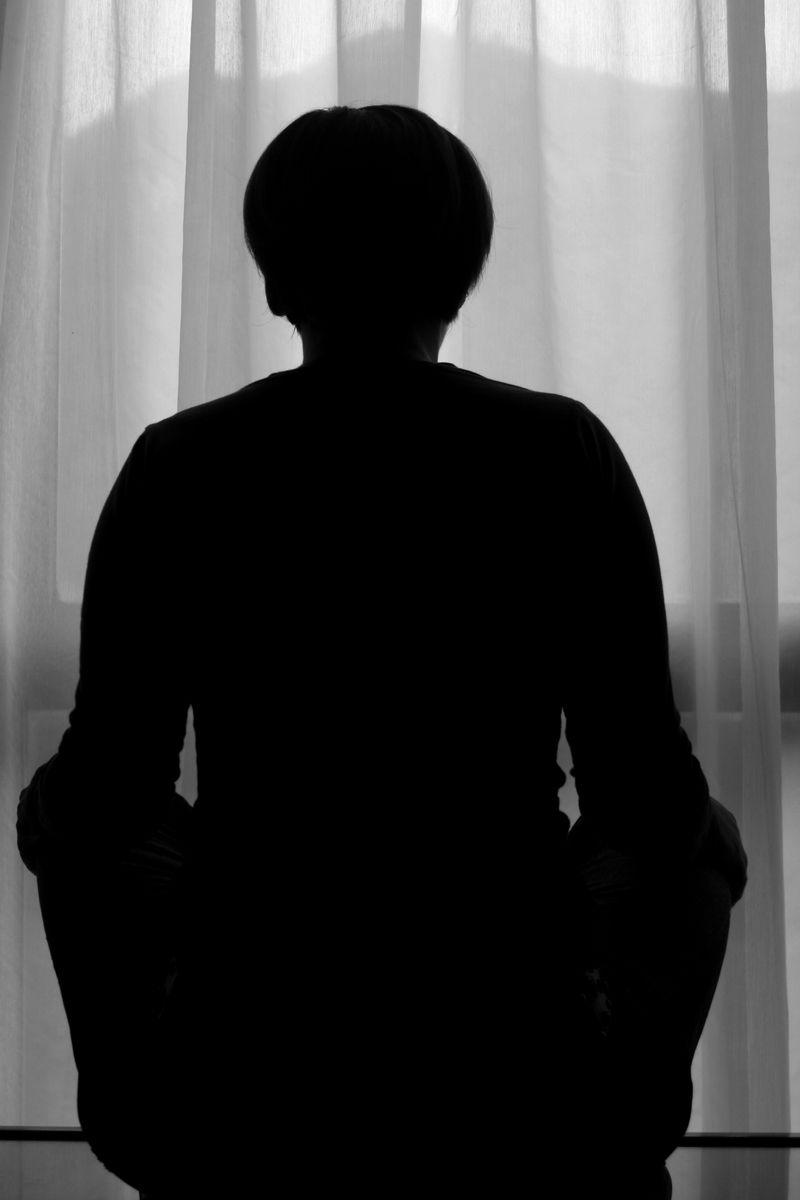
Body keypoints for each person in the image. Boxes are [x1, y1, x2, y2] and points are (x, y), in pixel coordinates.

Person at [16, 104, 747, 1199]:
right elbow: (640, 782)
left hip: (249, 1037)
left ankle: (146, 1098)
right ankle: (609, 1111)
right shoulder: (561, 452)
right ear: (458, 280)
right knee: (698, 839)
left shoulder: (182, 463)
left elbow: (110, 779)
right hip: (515, 1038)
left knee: (66, 820)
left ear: (277, 282)